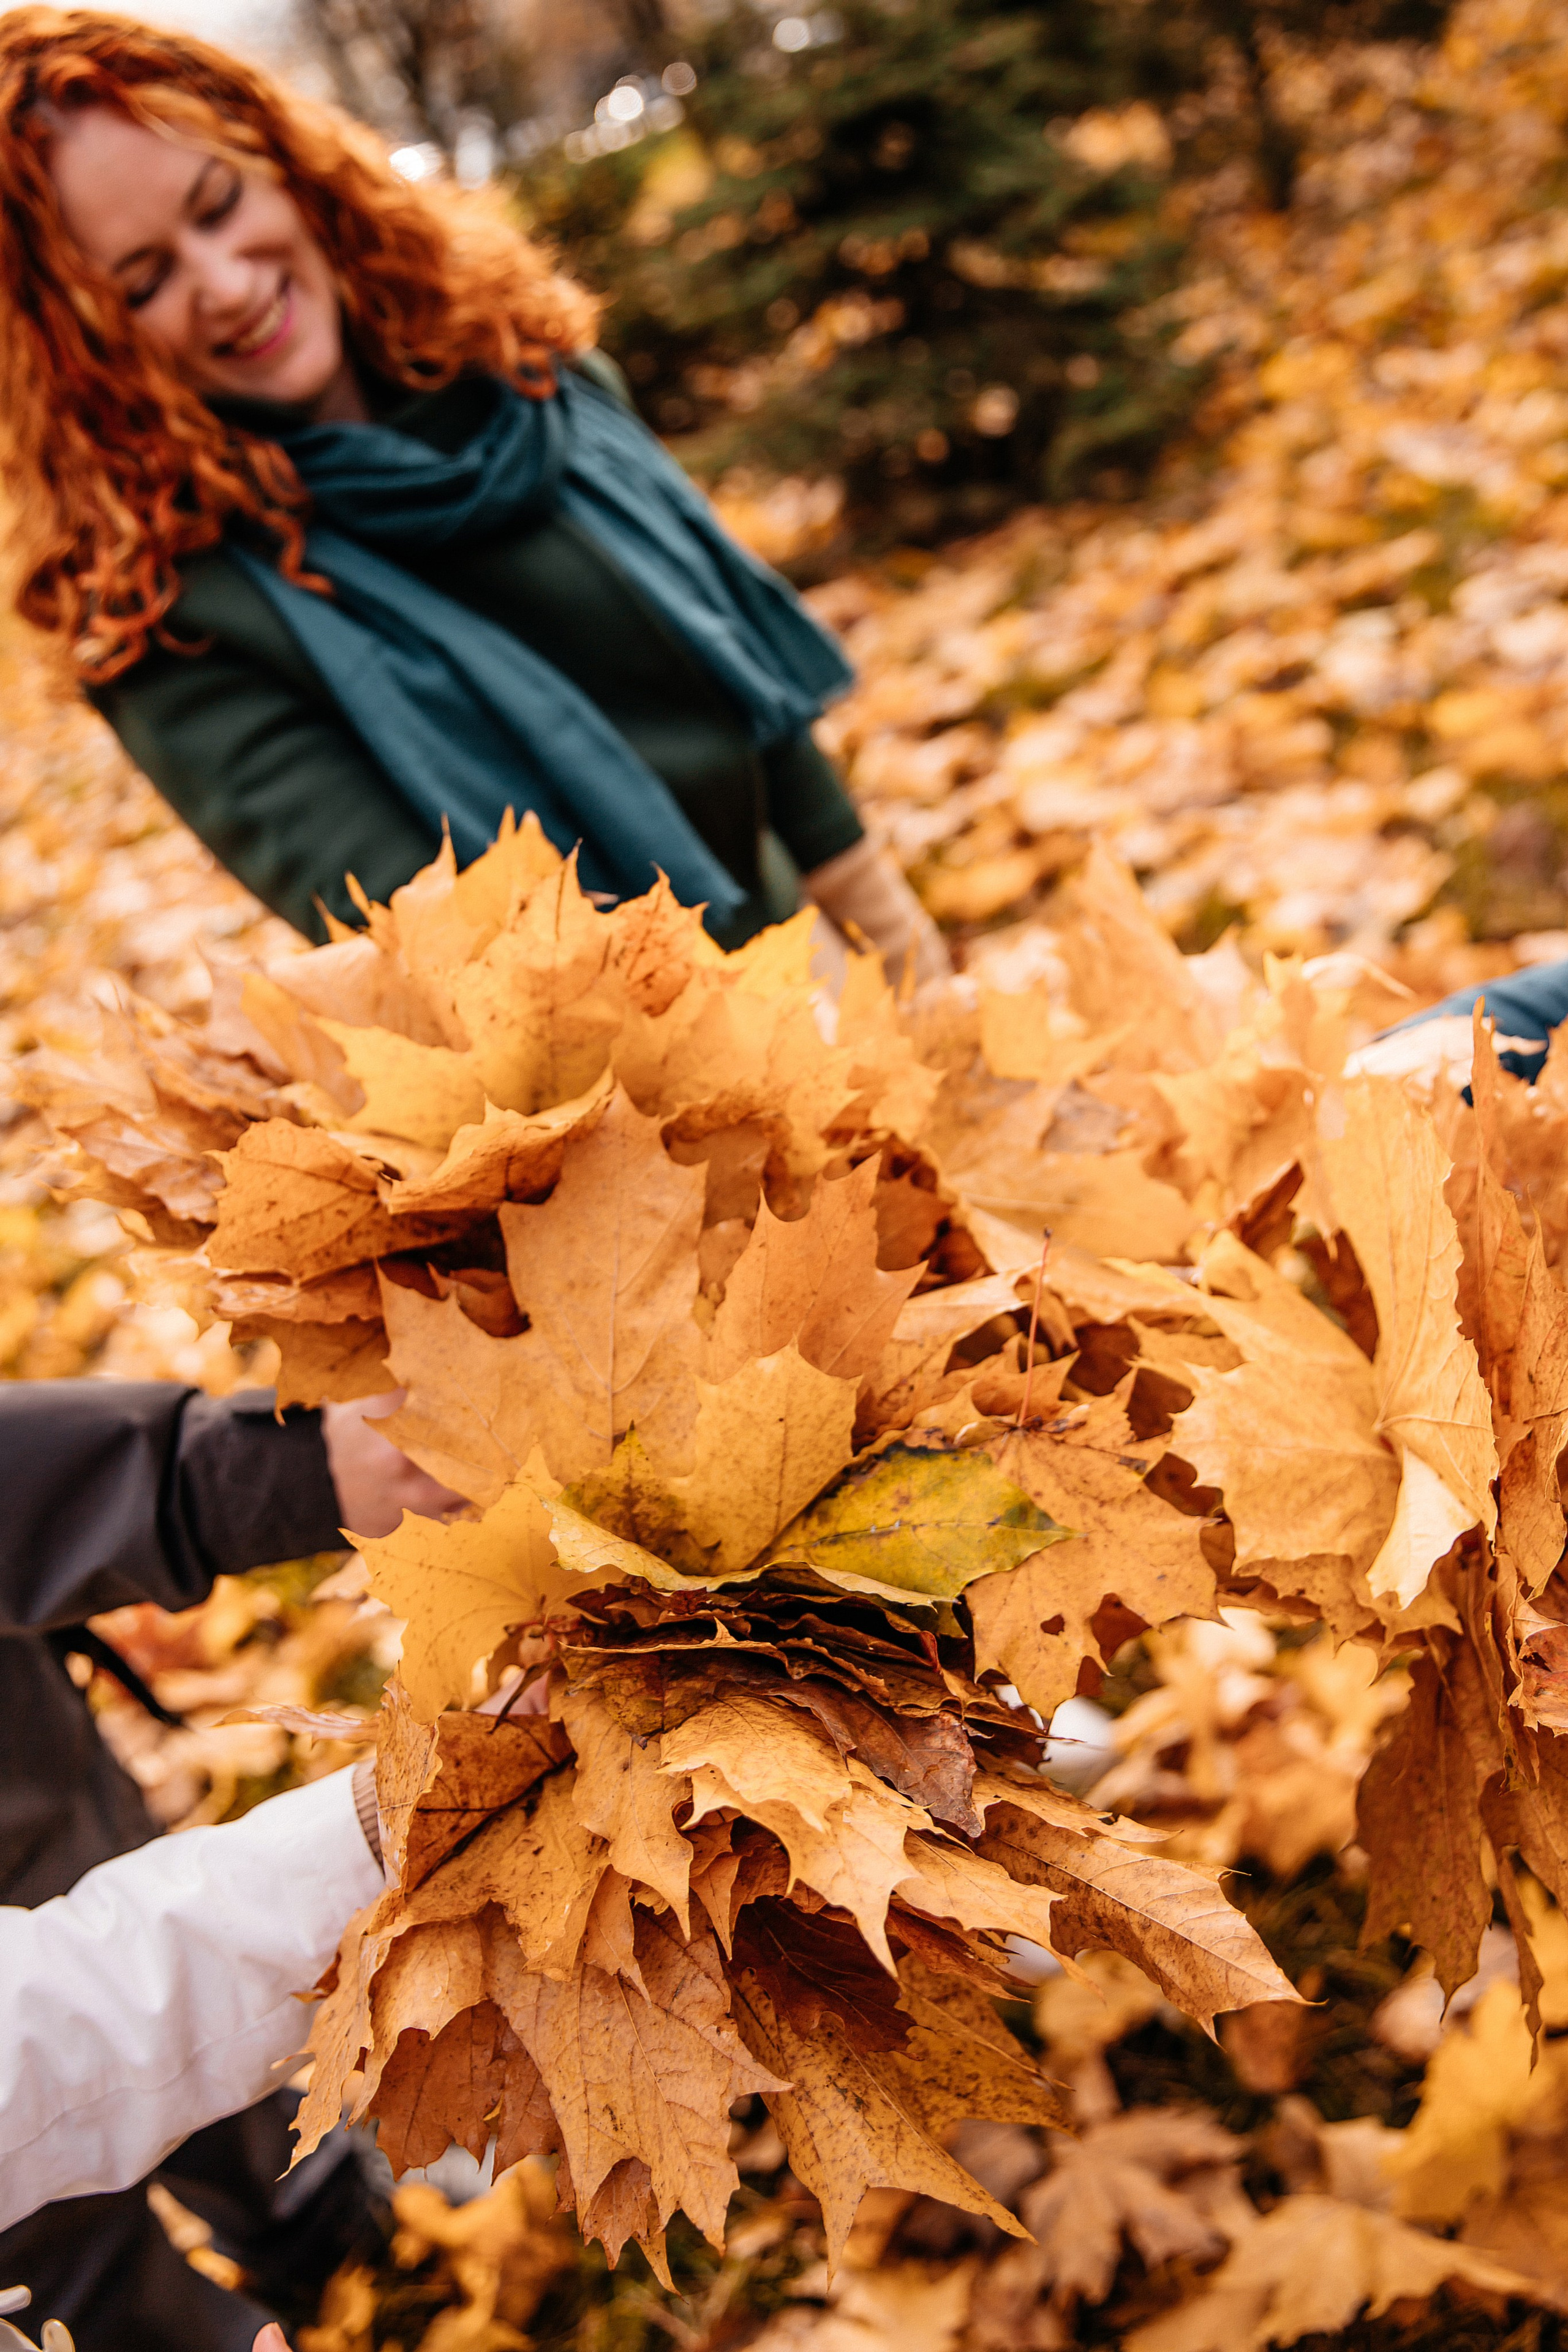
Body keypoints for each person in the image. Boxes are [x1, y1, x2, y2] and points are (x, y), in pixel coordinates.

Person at [0, 9, 947, 987]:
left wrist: (904, 958)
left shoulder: (523, 368)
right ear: (77, 353)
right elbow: (433, 944)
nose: (228, 284)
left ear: (285, 166)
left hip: (804, 948)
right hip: (599, 1051)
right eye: (145, 283)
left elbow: (743, 684)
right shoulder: (166, 619)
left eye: (218, 206)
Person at [0, 1380, 455, 2351]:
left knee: (123, 1932)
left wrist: (267, 1472)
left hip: (25, 1796)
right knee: (55, 2262)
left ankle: (314, 2217)